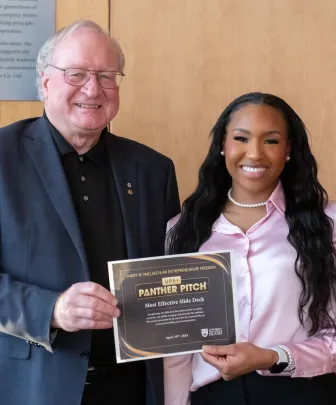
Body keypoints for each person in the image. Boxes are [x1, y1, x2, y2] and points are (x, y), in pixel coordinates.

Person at [0, 20, 180, 405]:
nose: (93, 88)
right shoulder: (2, 157)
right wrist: (52, 309)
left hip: (131, 387)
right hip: (31, 387)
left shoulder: (153, 170)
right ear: (45, 83)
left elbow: (171, 278)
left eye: (106, 75)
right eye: (76, 74)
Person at [164, 92, 336, 405]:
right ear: (222, 145)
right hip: (213, 397)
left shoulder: (328, 223)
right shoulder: (182, 229)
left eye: (270, 141)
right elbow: (176, 350)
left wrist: (272, 357)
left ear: (288, 149)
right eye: (241, 138)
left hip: (303, 393)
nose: (254, 153)